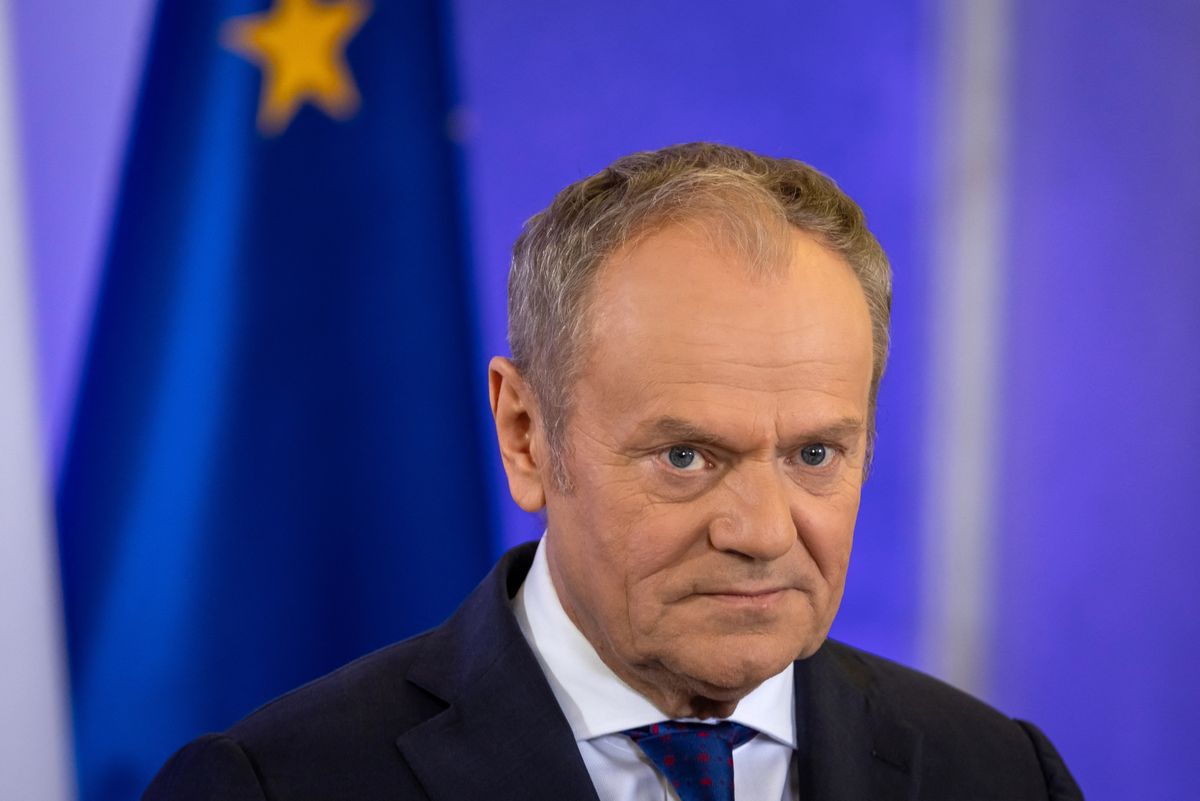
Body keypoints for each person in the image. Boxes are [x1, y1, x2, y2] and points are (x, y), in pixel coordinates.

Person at [144, 143, 1083, 800]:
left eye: (813, 454)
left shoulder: (999, 774)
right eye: (686, 456)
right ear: (526, 435)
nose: (759, 531)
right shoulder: (273, 786)